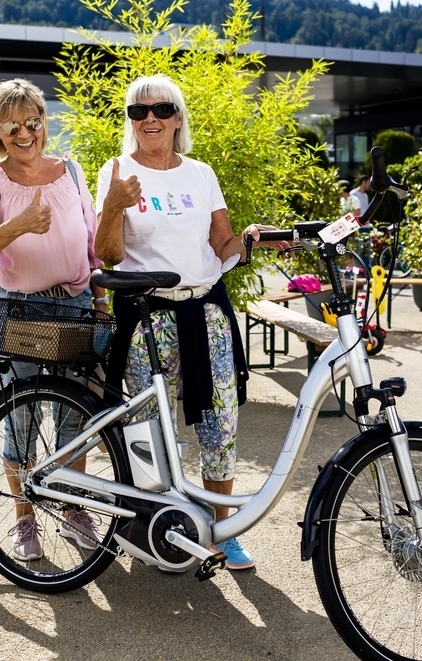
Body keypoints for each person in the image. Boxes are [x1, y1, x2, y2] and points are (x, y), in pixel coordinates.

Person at [95, 74, 290, 571]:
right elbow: (108, 255)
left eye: (161, 110)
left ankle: (221, 531)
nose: (150, 119)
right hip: (147, 317)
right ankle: (162, 529)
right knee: (150, 431)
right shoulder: (116, 171)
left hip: (205, 312)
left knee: (219, 423)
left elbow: (222, 243)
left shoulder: (201, 174)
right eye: (139, 112)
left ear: (178, 117)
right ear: (131, 121)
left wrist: (251, 238)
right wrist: (115, 204)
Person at [0, 77, 107, 562]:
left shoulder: (71, 171)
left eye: (33, 121)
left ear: (44, 122)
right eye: (12, 125)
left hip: (74, 302)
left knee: (75, 415)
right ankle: (24, 519)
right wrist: (19, 223)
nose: (25, 132)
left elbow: (90, 241)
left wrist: (100, 298)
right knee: (21, 413)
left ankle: (71, 507)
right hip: (20, 310)